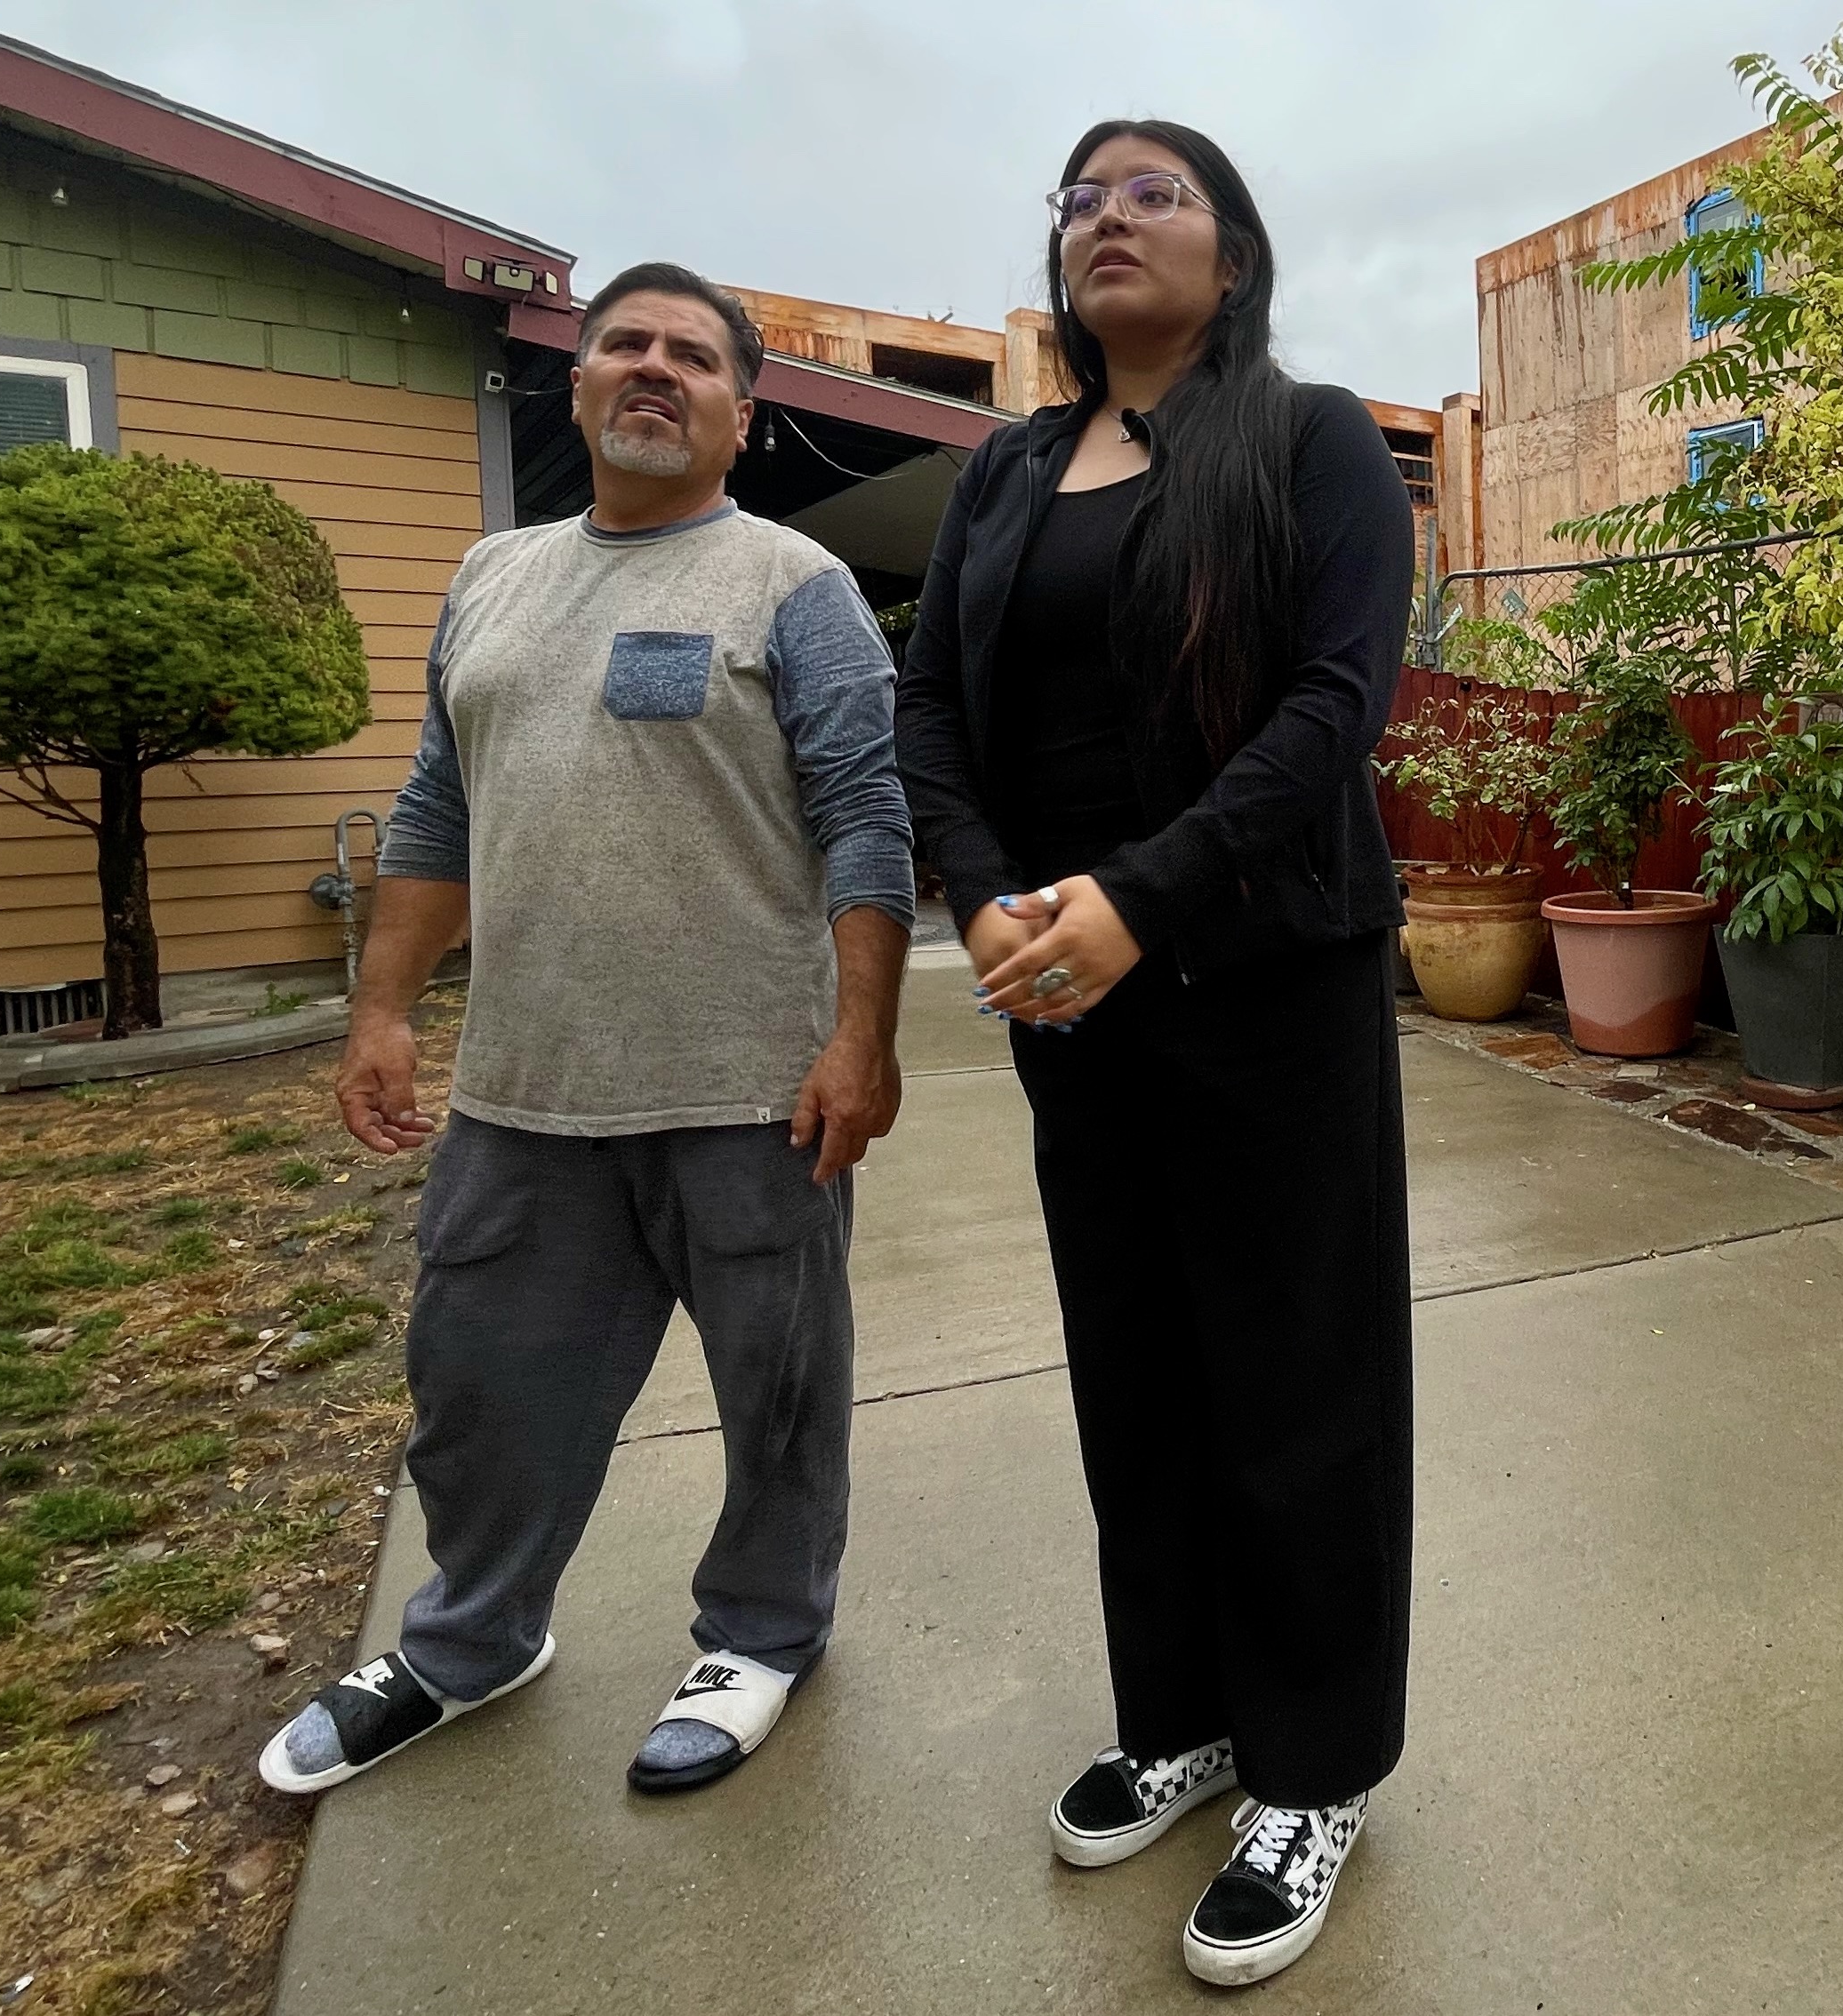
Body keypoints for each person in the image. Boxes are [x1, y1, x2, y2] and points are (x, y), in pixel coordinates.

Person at [257, 263, 915, 1800]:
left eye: (694, 355)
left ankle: (762, 1633)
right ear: (579, 382)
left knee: (778, 1397)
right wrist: (381, 1010)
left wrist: (862, 1039)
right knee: (479, 1390)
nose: (655, 368)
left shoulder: (793, 585)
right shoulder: (491, 578)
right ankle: (467, 1643)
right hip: (525, 1091)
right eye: (626, 343)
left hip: (750, 1095)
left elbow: (868, 818)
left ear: (741, 415)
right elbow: (436, 808)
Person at [895, 121, 1415, 1987]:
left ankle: (1315, 1767)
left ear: (1233, 252)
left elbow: (1336, 706)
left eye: (1155, 193)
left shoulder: (1310, 440)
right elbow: (931, 707)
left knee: (1301, 1381)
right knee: (1137, 1367)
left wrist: (1138, 896)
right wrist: (985, 903)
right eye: (1082, 198)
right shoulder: (1009, 471)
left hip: (1266, 978)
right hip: (1067, 993)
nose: (1108, 217)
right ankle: (1184, 1715)